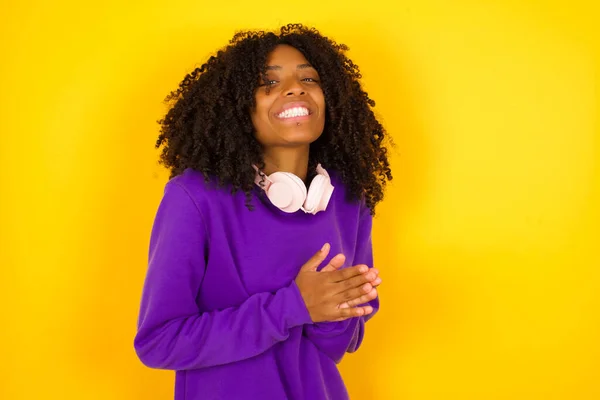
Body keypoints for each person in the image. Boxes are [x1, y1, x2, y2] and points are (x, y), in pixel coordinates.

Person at [134, 23, 393, 400]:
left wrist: (339, 310)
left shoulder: (347, 198)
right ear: (239, 107)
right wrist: (291, 306)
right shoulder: (194, 197)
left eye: (309, 78)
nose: (295, 88)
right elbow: (160, 342)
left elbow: (341, 345)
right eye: (268, 83)